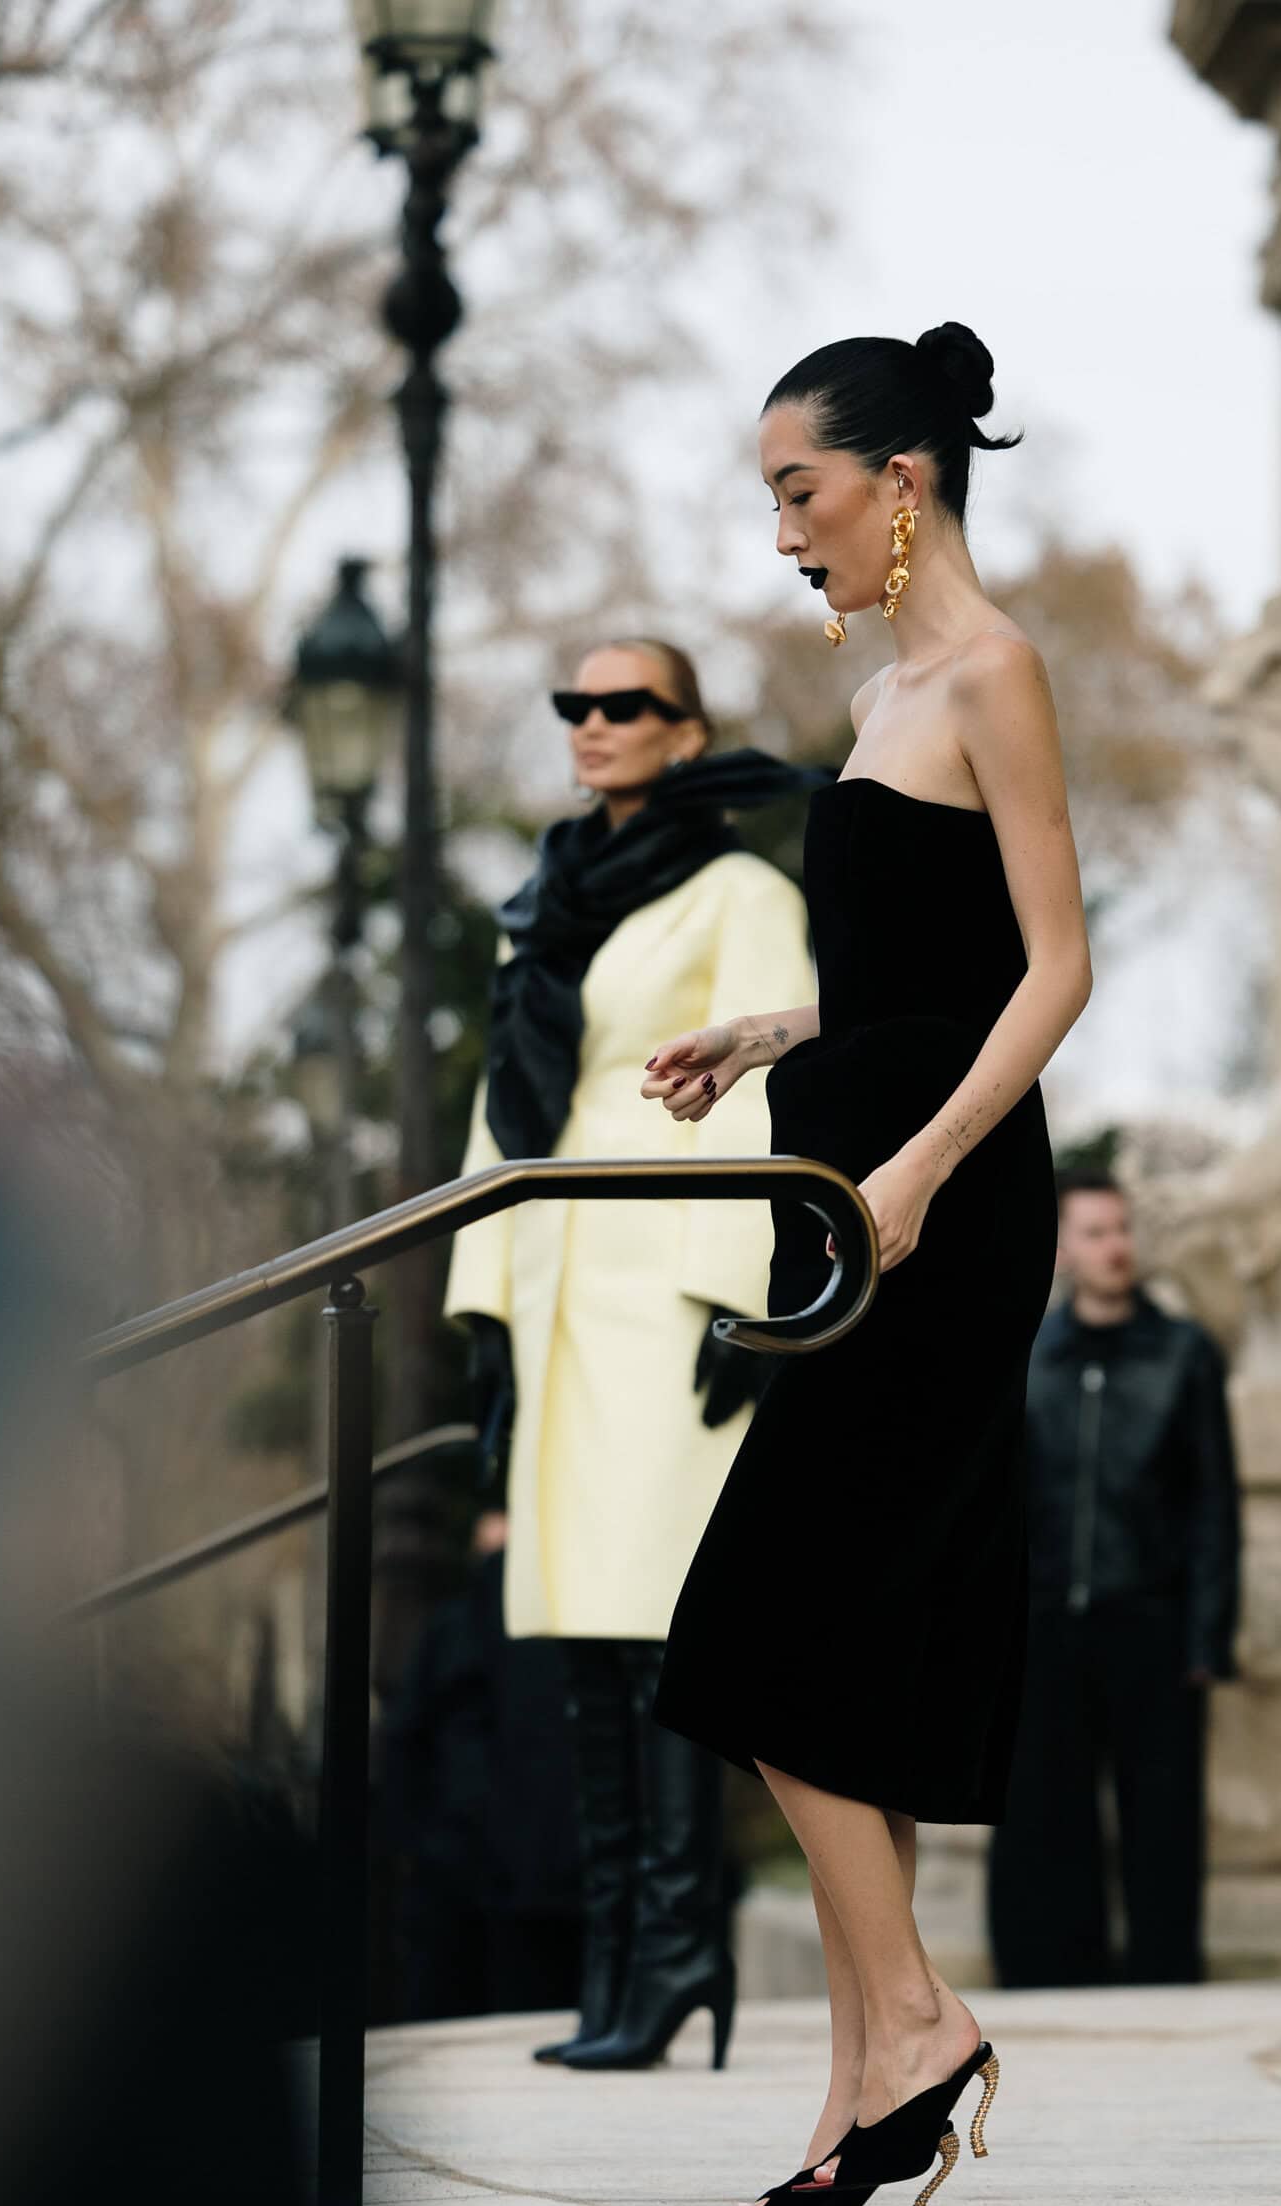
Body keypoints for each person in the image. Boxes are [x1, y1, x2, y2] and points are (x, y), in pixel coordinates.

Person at [642, 325, 1092, 2206]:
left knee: (754, 1634)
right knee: (847, 1652)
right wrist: (774, 1029)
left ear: (900, 484)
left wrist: (912, 1164)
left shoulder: (990, 671)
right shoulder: (885, 691)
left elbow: (1053, 970)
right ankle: (859, 2106)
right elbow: (920, 968)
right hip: (846, 1190)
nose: (779, 532)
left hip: (935, 1212)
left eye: (796, 491)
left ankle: (916, 2024)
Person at [445, 639, 816, 2073]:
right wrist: (483, 1311)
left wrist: (741, 1286)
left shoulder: (742, 892)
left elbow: (764, 1089)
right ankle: (620, 1964)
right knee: (581, 1639)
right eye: (573, 707)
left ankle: (675, 1948)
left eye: (625, 706)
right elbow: (505, 1103)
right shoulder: (539, 902)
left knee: (659, 1624)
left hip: (667, 1285)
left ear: (686, 730)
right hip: (553, 1276)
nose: (593, 727)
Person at [987, 1170, 1242, 1989]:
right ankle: (1050, 1973)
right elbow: (998, 1499)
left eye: (1121, 1229)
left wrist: (1207, 1634)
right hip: (1043, 1620)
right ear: (1062, 1248)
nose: (1114, 1246)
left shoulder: (1181, 1353)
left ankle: (1164, 1972)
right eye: (1095, 1232)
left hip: (1150, 1618)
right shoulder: (1026, 1348)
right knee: (1043, 1811)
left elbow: (1212, 1502)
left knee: (1160, 1816)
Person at [379, 1510, 583, 2023]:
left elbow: (403, 1744)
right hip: (559, 1879)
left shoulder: (457, 1624)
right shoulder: (580, 1634)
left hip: (464, 1868)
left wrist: (415, 1843)